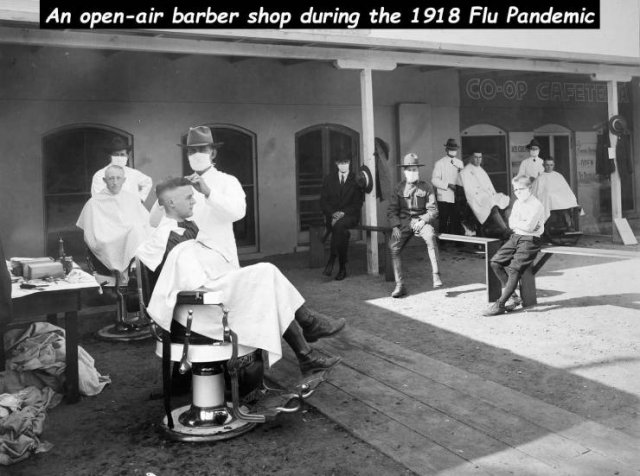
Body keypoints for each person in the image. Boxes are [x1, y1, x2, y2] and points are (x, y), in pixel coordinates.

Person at [137, 178, 345, 376]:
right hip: (197, 310)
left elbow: (205, 264)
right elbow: (184, 281)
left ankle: (307, 352)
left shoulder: (189, 227)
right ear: (171, 202)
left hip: (209, 295)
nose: (194, 201)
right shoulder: (165, 238)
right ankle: (309, 328)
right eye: (189, 197)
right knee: (266, 272)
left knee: (267, 286)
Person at [150, 126, 246, 268]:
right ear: (187, 156)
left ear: (212, 153)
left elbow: (238, 213)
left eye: (202, 149)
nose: (197, 154)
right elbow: (153, 222)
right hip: (189, 259)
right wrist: (162, 198)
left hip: (220, 257)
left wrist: (209, 193)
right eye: (192, 151)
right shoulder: (181, 185)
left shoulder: (227, 181)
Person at [77, 165, 151, 283]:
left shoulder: (131, 198)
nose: (115, 182)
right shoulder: (94, 202)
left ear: (124, 180)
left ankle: (136, 271)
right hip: (107, 240)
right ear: (104, 181)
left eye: (118, 178)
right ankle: (129, 272)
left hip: (130, 239)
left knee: (139, 232)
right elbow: (92, 234)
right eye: (111, 178)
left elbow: (147, 223)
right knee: (135, 232)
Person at [483, 176, 545, 316]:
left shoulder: (536, 205)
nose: (517, 192)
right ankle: (514, 297)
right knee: (495, 262)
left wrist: (520, 224)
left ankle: (500, 304)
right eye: (515, 189)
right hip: (516, 236)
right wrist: (521, 224)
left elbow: (529, 227)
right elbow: (511, 223)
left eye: (521, 189)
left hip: (530, 240)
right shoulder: (517, 203)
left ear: (529, 189)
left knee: (514, 269)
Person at [387, 153, 442, 298]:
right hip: (404, 223)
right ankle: (400, 285)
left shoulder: (426, 187)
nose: (413, 172)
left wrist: (423, 221)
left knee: (430, 237)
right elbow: (392, 210)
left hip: (422, 221)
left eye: (415, 169)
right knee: (393, 246)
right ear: (404, 171)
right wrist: (395, 226)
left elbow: (433, 210)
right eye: (410, 169)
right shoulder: (398, 188)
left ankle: (436, 275)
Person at [319, 156, 364, 280]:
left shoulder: (356, 179)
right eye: (340, 162)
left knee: (339, 226)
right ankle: (342, 266)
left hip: (350, 216)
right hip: (332, 217)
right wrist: (333, 213)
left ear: (349, 162)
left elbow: (358, 203)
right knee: (341, 231)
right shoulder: (329, 179)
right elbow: (323, 201)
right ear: (336, 163)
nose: (343, 165)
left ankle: (333, 257)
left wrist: (342, 213)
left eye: (346, 162)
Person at [459, 151, 511, 239]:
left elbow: (488, 186)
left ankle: (510, 227)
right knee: (492, 204)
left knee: (504, 199)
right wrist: (484, 195)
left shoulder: (480, 169)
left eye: (480, 157)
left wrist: (493, 194)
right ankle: (505, 230)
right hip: (475, 198)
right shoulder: (465, 171)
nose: (478, 159)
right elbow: (469, 190)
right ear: (471, 158)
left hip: (486, 195)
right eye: (476, 157)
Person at [91, 136, 152, 202]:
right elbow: (97, 197)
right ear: (110, 157)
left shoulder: (133, 173)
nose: (119, 157)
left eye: (122, 154)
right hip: (109, 210)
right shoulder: (100, 175)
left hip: (131, 209)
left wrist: (140, 199)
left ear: (127, 156)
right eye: (116, 154)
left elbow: (148, 182)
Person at [532, 157, 580, 237]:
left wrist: (571, 199)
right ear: (543, 165)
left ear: (553, 165)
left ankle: (569, 226)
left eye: (551, 165)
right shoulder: (540, 178)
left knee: (567, 206)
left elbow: (565, 190)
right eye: (547, 165)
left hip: (559, 202)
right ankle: (547, 230)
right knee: (549, 200)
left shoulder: (558, 176)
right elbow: (537, 193)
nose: (549, 167)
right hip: (547, 202)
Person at [432, 138, 464, 236]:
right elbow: (434, 180)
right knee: (444, 219)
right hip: (444, 196)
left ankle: (458, 242)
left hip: (457, 195)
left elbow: (463, 179)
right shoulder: (440, 163)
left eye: (454, 149)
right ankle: (443, 243)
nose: (453, 151)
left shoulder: (460, 163)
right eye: (450, 149)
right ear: (446, 150)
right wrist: (448, 185)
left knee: (457, 219)